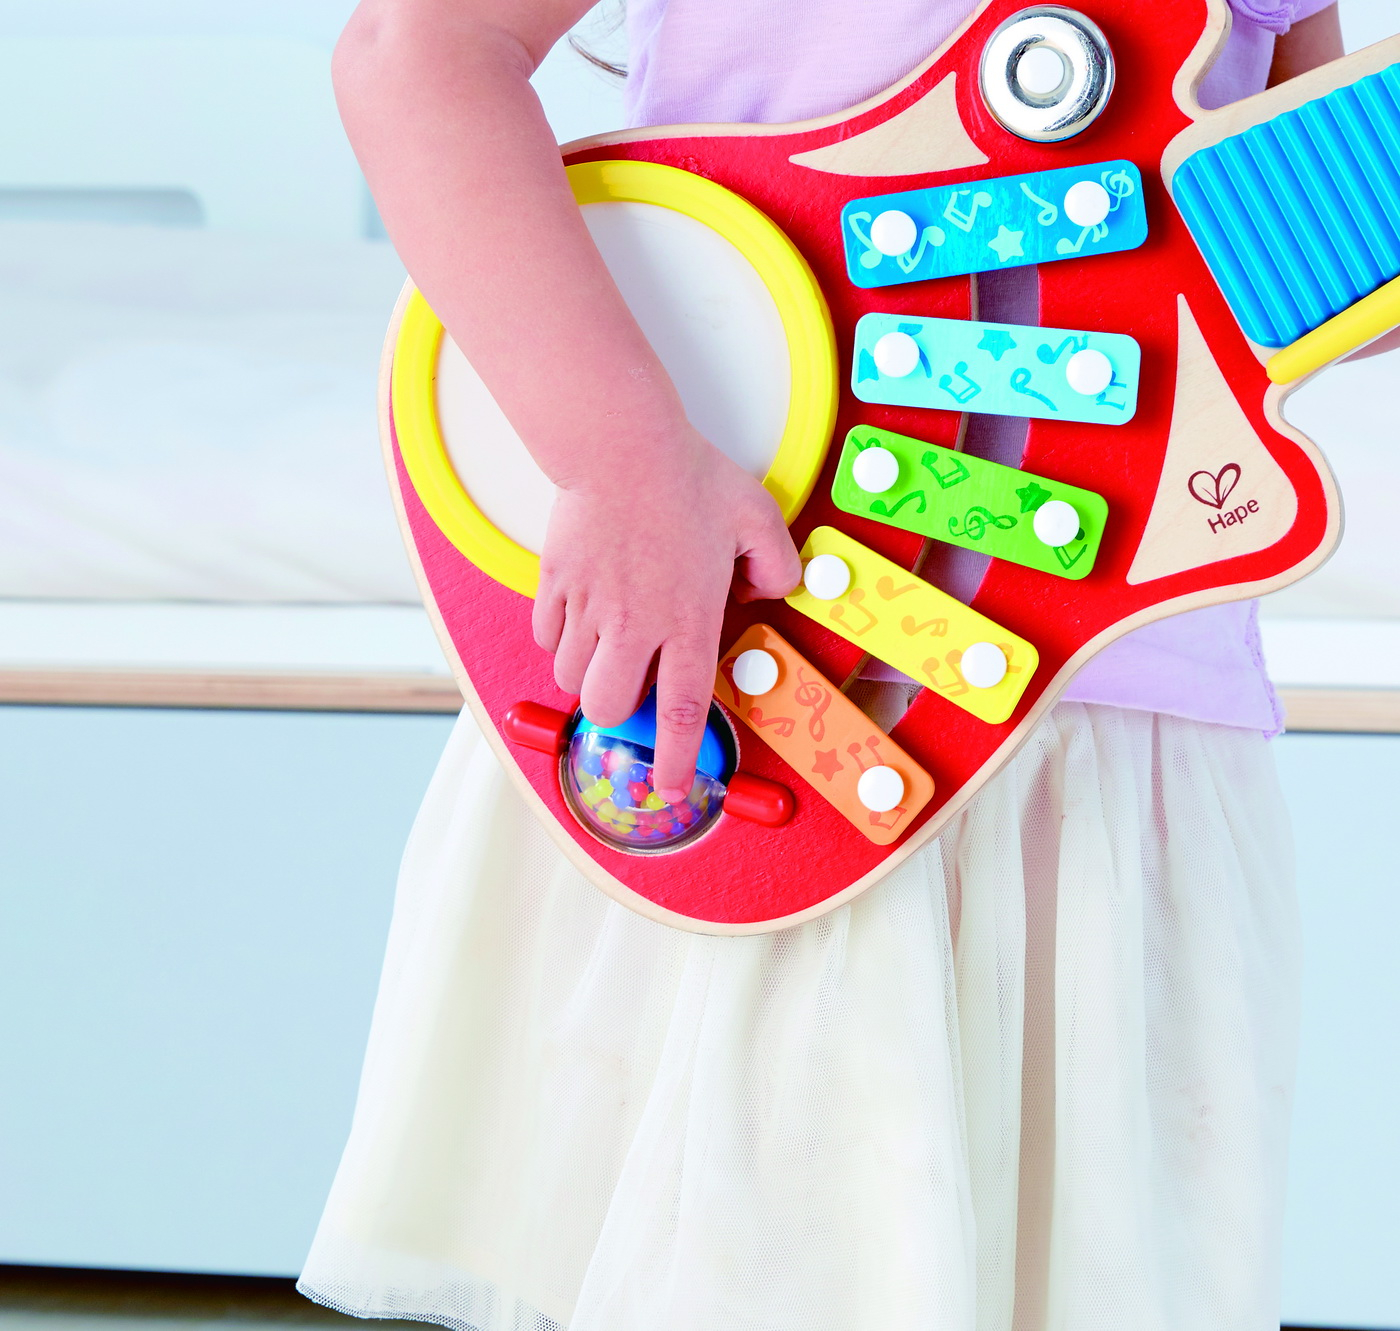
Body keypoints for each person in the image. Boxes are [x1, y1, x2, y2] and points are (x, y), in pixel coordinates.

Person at [298, 3, 1378, 1329]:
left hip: (1110, 712)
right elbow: (414, 57)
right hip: (782, 684)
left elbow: (1278, 239)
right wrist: (620, 456)